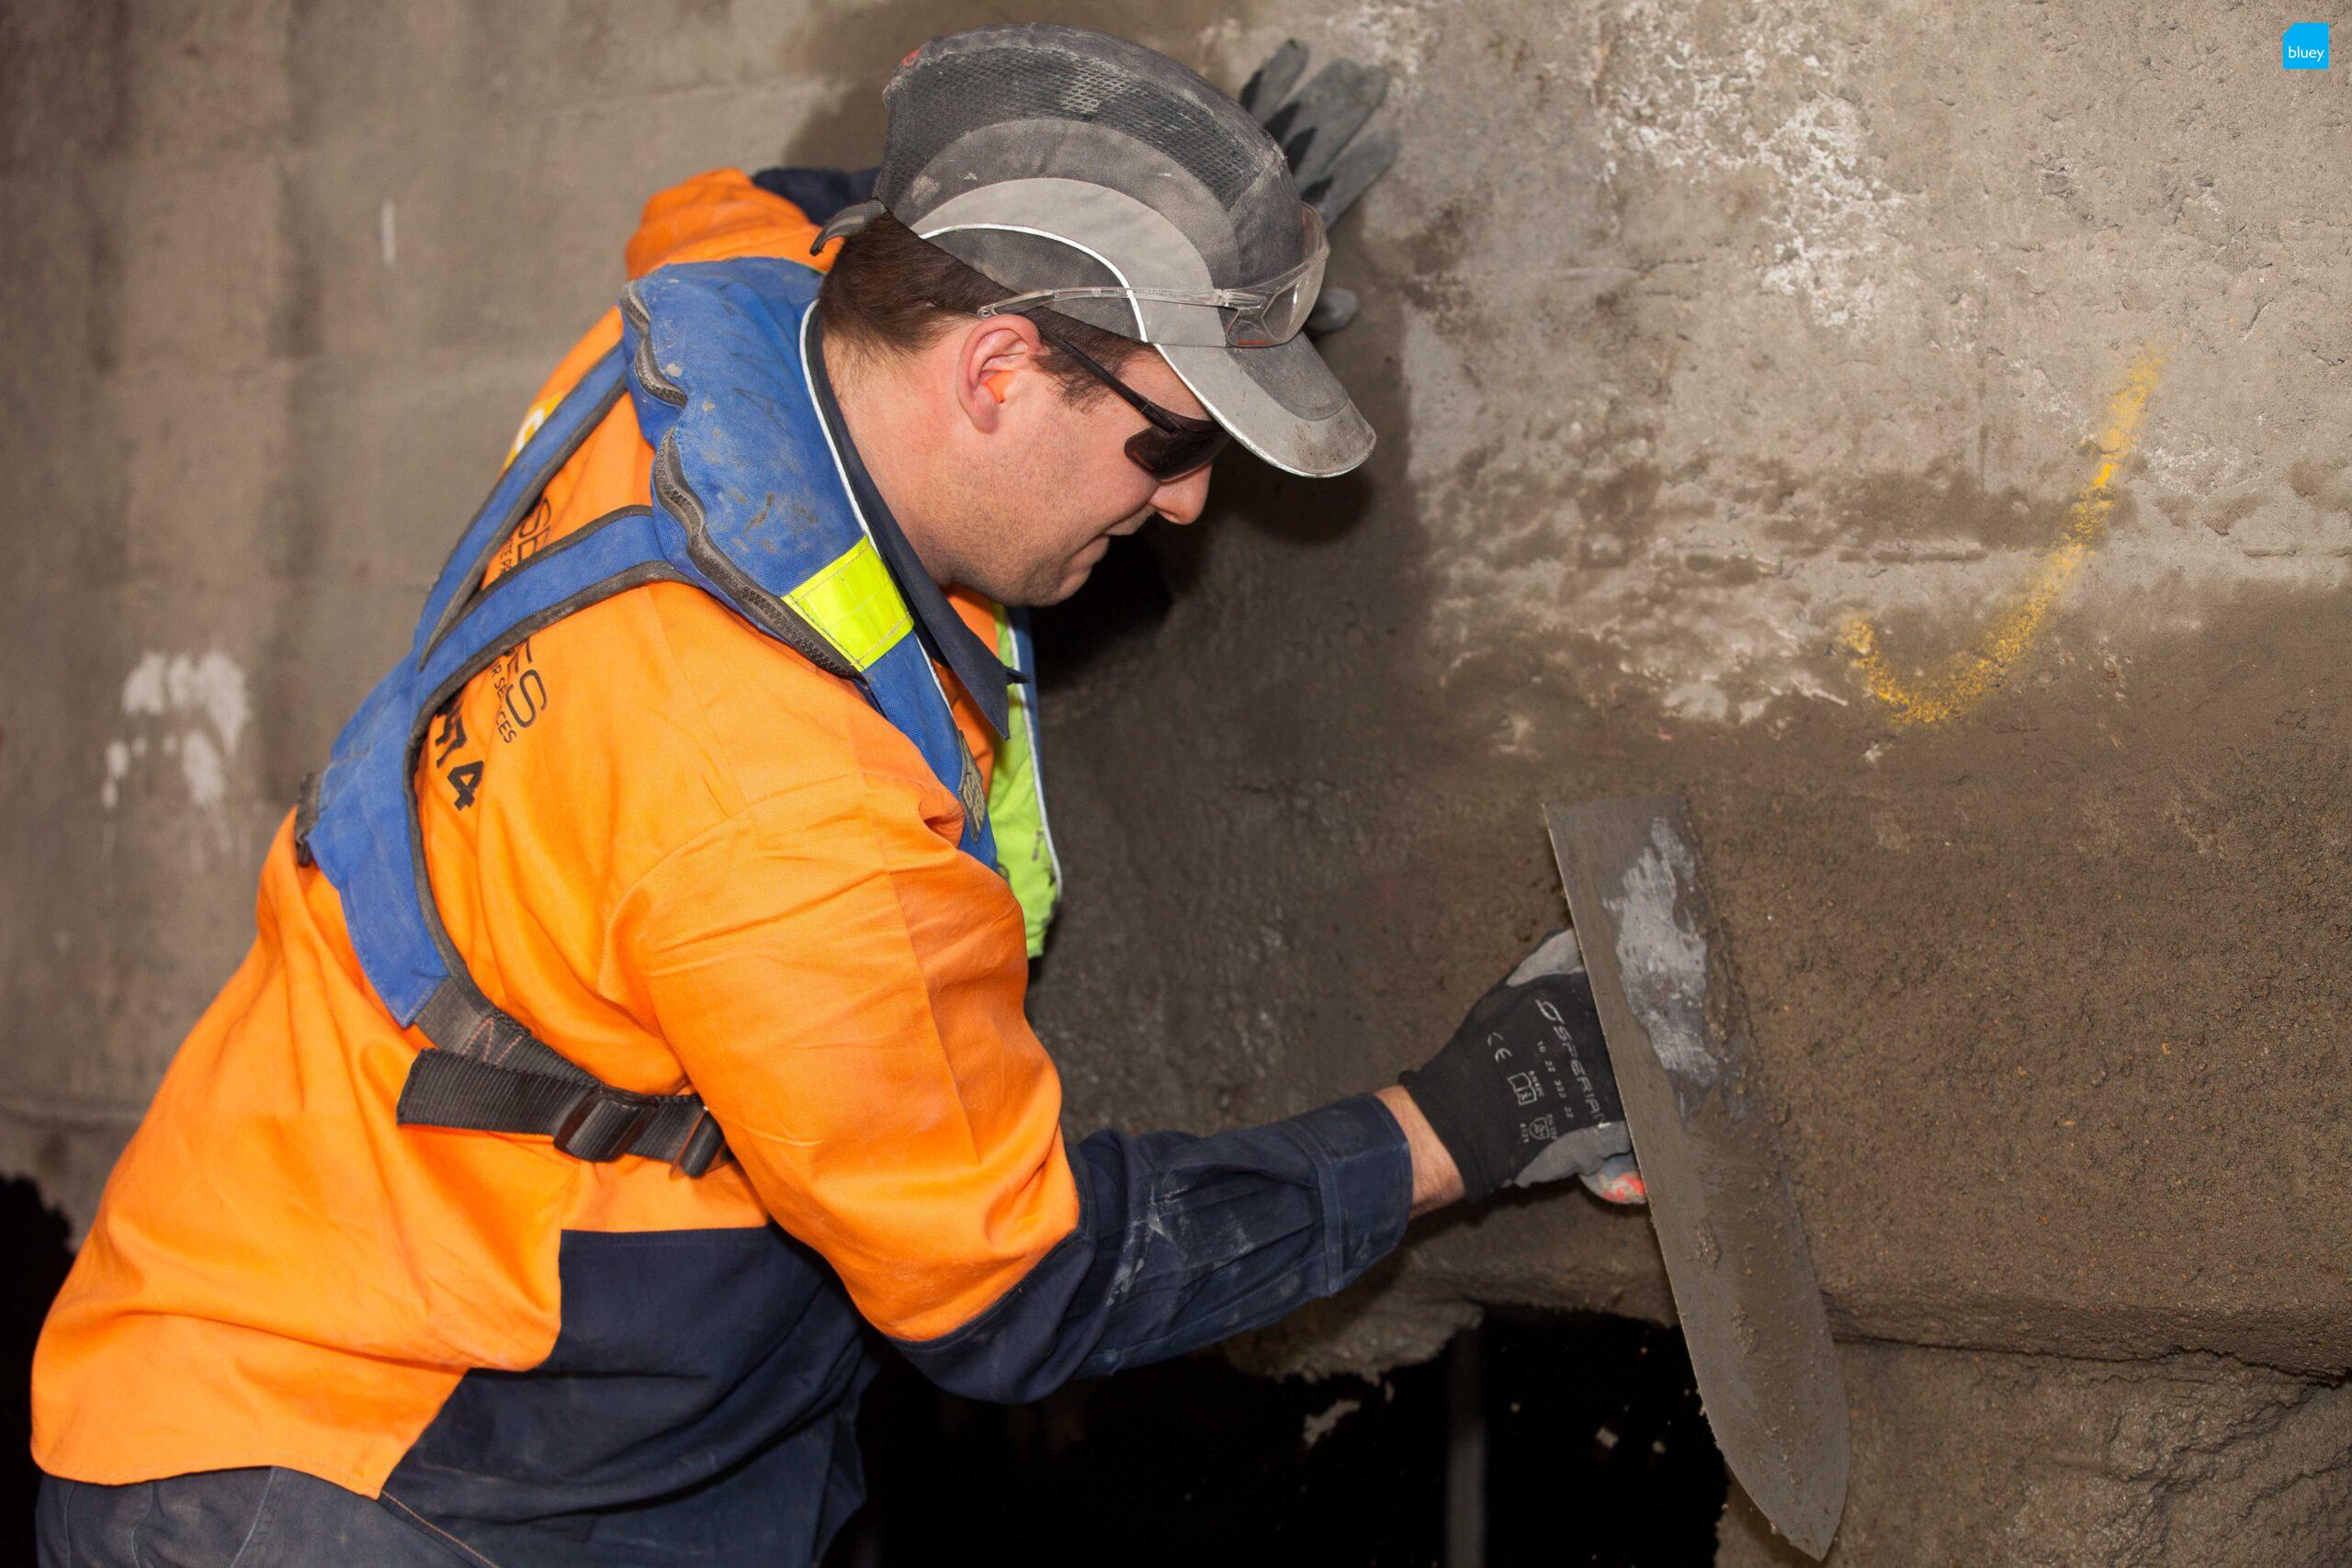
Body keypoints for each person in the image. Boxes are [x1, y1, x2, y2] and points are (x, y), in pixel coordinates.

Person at [30, 26, 1636, 1567]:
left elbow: (768, 203)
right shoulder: (785, 811)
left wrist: (1164, 240)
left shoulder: (722, 316)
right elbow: (1017, 1289)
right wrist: (1473, 1117)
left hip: (324, 1308)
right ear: (997, 370)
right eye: (1172, 438)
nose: (1189, 500)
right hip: (363, 1473)